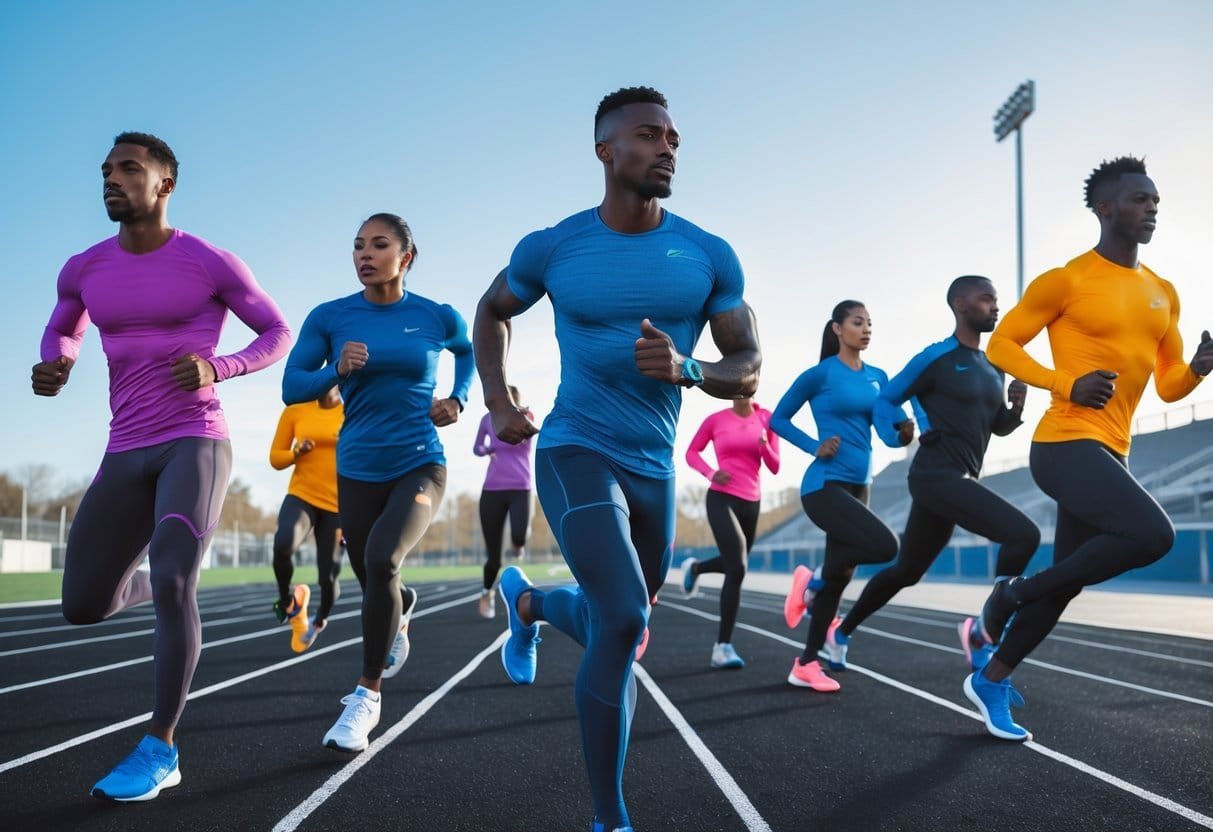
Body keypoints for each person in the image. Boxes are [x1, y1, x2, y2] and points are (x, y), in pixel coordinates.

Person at [473, 87, 761, 832]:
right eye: (648, 135)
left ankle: (530, 603)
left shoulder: (705, 254)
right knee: (626, 614)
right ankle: (610, 818)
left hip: (653, 469)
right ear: (606, 150)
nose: (667, 148)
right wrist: (501, 404)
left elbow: (748, 364)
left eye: (672, 137)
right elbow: (491, 312)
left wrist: (689, 369)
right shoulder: (555, 247)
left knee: (620, 622)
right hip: (575, 450)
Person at [32, 132, 292, 801]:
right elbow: (65, 325)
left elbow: (276, 332)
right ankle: (147, 578)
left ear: (165, 185)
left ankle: (161, 747)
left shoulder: (207, 260)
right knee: (82, 605)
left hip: (194, 439)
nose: (111, 179)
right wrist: (58, 360)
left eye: (129, 169)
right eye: (105, 171)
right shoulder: (85, 266)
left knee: (179, 578)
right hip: (124, 450)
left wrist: (218, 366)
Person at [968, 156, 1213, 741]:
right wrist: (1063, 382)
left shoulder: (1163, 292)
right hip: (1064, 442)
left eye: (1155, 198)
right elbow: (1002, 345)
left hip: (1113, 450)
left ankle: (992, 677)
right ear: (1105, 208)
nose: (1152, 206)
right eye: (1139, 198)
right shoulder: (1067, 279)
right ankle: (1012, 594)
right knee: (1154, 535)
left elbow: (1168, 382)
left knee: (1068, 579)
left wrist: (1200, 370)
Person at [282, 213, 474, 753]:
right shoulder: (332, 317)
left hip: (419, 462)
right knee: (373, 575)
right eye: (358, 246)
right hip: (356, 468)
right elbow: (291, 385)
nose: (365, 254)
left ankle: (366, 696)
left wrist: (458, 398)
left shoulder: (436, 315)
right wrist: (335, 372)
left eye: (379, 245)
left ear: (405, 256)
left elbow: (470, 350)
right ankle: (401, 603)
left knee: (383, 558)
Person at [829, 277, 1038, 672]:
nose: (996, 306)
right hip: (934, 474)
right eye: (987, 298)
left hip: (961, 477)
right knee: (1023, 535)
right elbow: (887, 399)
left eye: (996, 300)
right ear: (960, 304)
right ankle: (985, 631)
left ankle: (840, 631)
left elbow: (995, 426)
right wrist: (903, 427)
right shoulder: (936, 357)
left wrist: (1015, 410)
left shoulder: (995, 366)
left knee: (907, 571)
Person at [772, 300, 913, 692]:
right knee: (885, 546)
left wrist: (902, 434)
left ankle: (806, 663)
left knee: (841, 579)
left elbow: (885, 432)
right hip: (824, 485)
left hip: (859, 485)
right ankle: (811, 580)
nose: (866, 329)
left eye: (870, 323)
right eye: (857, 323)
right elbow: (778, 419)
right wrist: (813, 445)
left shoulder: (879, 377)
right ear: (837, 328)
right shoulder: (820, 375)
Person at [681, 396, 780, 668]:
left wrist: (764, 447)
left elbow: (775, 466)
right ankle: (722, 648)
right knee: (737, 567)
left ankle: (698, 568)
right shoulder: (716, 420)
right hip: (721, 497)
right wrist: (711, 473)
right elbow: (691, 452)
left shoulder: (766, 418)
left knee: (737, 566)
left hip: (753, 501)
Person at [268, 385, 344, 651]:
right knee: (283, 544)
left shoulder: (353, 412)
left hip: (339, 507)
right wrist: (296, 453)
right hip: (302, 496)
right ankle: (288, 600)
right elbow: (275, 458)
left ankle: (318, 619)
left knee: (328, 579)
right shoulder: (296, 411)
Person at [472, 384, 535, 618]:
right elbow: (477, 447)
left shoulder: (526, 417)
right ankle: (487, 592)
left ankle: (520, 540)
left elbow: (532, 431)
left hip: (521, 487)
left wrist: (524, 418)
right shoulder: (487, 420)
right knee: (494, 557)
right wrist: (488, 449)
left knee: (518, 536)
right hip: (492, 489)